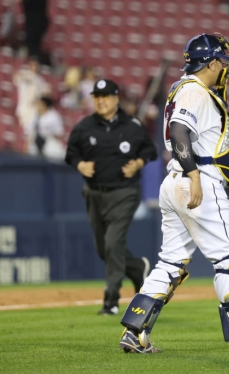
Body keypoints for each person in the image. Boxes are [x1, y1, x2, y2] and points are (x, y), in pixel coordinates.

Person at [118, 33, 229, 354]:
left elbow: (209, 135)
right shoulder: (195, 91)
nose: (227, 67)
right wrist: (194, 176)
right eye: (223, 61)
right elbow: (180, 131)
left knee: (170, 262)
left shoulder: (186, 89)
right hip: (199, 180)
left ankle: (135, 332)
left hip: (175, 182)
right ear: (210, 63)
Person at [65, 79, 157, 315]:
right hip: (94, 193)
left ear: (117, 99)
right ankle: (137, 269)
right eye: (97, 97)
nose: (101, 101)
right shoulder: (84, 126)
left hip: (124, 193)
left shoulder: (133, 125)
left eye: (105, 96)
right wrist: (79, 164)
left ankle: (111, 301)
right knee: (103, 247)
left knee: (113, 242)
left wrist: (138, 162)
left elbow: (150, 150)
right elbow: (71, 153)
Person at [34, 96, 65, 160]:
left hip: (50, 144)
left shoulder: (53, 117)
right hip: (38, 143)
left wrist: (48, 135)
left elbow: (60, 133)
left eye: (39, 104)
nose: (37, 106)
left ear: (44, 105)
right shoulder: (36, 116)